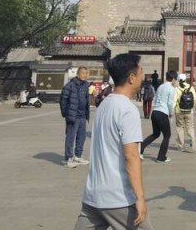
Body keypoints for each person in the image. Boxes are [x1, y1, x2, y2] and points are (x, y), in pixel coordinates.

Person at [73, 53, 154, 230]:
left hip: (93, 195)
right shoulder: (127, 110)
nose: (143, 76)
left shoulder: (104, 104)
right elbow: (131, 156)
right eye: (141, 72)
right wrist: (140, 198)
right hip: (118, 198)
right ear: (131, 77)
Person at [141, 70, 177, 162]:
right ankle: (161, 157)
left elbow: (156, 98)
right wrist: (171, 113)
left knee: (156, 134)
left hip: (155, 112)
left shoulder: (161, 86)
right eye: (175, 80)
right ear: (173, 79)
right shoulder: (171, 89)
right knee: (167, 135)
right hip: (162, 113)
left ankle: (140, 149)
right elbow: (170, 103)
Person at [60, 67, 91, 168]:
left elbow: (87, 100)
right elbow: (63, 100)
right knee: (70, 137)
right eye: (83, 73)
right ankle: (68, 158)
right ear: (78, 74)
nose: (85, 75)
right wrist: (66, 114)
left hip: (82, 116)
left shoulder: (86, 85)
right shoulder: (70, 85)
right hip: (73, 116)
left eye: (86, 73)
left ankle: (78, 156)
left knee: (82, 137)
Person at [174, 73, 196, 152]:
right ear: (186, 80)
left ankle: (181, 146)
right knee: (190, 128)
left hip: (179, 111)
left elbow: (174, 100)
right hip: (189, 111)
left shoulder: (177, 89)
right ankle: (193, 144)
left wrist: (171, 111)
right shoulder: (191, 88)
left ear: (178, 80)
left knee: (180, 128)